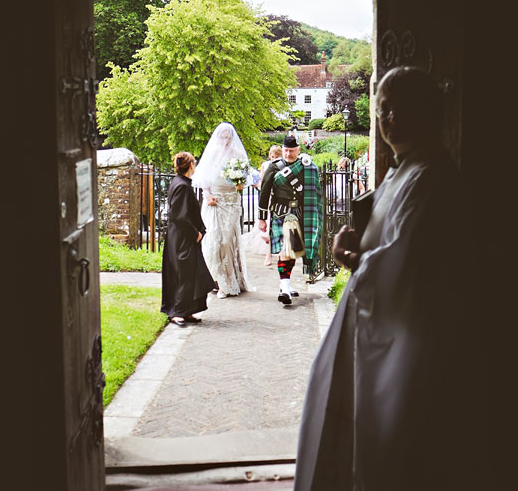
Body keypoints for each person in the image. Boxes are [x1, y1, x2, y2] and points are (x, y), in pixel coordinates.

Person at [294, 67, 487, 490]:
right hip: (381, 321)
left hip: (409, 340)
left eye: (401, 109)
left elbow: (408, 261)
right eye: (382, 109)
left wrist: (351, 260)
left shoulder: (430, 177)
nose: (390, 118)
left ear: (429, 113)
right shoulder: (403, 169)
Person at [256, 135, 322, 305]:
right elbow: (264, 193)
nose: (288, 153)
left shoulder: (306, 167)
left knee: (293, 251)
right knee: (288, 248)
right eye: (286, 150)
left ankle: (285, 284)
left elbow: (314, 192)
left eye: (291, 151)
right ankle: (285, 288)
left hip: (300, 213)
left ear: (298, 150)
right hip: (282, 213)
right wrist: (262, 218)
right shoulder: (274, 167)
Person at [192, 123, 252, 298]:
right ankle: (215, 281)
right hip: (214, 201)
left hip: (231, 201)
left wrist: (240, 183)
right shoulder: (212, 154)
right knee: (212, 240)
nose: (225, 141)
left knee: (227, 240)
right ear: (218, 138)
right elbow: (204, 177)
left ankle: (229, 281)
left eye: (228, 137)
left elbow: (244, 181)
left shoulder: (238, 155)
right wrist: (207, 194)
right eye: (222, 137)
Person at [161, 152, 214, 326]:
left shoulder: (181, 183)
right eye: (194, 162)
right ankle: (177, 312)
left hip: (181, 236)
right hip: (182, 237)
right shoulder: (182, 185)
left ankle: (187, 310)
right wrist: (195, 233)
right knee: (182, 274)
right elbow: (178, 215)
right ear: (191, 165)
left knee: (191, 273)